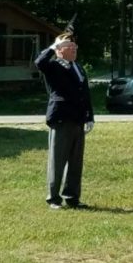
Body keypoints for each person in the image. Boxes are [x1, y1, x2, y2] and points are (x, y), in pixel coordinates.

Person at [35, 30, 94, 209]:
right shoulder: (53, 66)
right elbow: (39, 62)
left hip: (78, 119)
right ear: (60, 50)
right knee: (58, 160)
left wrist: (89, 116)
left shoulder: (78, 67)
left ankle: (72, 197)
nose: (74, 49)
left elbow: (85, 94)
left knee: (76, 161)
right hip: (61, 118)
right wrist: (53, 47)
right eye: (69, 47)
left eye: (75, 46)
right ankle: (53, 198)